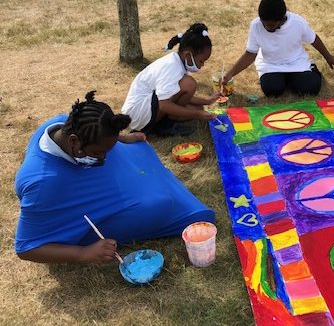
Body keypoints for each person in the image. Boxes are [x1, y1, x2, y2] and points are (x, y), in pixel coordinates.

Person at [14, 91, 215, 264]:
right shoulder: (44, 184)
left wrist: (124, 139)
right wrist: (83, 253)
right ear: (75, 142)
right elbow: (26, 248)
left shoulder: (60, 125)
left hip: (89, 182)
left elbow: (103, 137)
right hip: (75, 204)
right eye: (99, 152)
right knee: (162, 204)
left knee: (141, 152)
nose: (104, 157)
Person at [221, 0, 334, 97]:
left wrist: (328, 57)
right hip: (271, 65)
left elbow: (313, 39)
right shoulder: (256, 25)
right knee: (272, 91)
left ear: (282, 19)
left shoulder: (297, 23)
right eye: (264, 23)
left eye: (271, 25)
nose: (266, 27)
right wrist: (230, 74)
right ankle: (288, 79)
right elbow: (250, 54)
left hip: (296, 63)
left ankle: (309, 71)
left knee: (310, 89)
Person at [122, 22, 218, 137]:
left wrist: (207, 101)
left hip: (144, 108)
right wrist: (197, 114)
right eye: (201, 61)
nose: (202, 65)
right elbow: (163, 104)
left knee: (197, 107)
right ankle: (165, 126)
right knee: (189, 84)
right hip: (137, 115)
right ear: (188, 55)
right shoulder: (172, 67)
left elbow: (174, 94)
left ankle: (164, 121)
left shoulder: (177, 61)